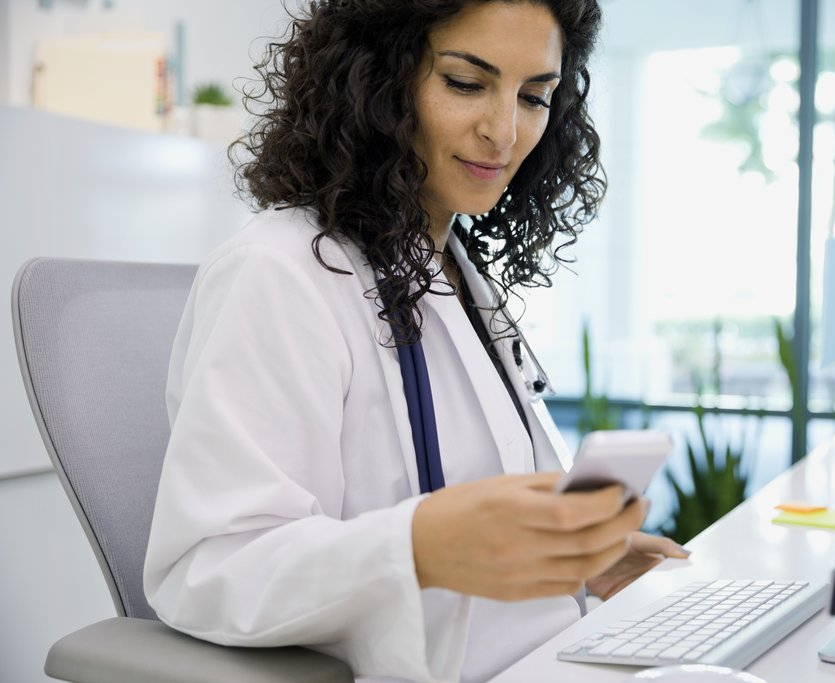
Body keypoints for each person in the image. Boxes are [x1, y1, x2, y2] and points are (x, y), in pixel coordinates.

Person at [143, 1, 688, 682]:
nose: (505, 131)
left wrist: (566, 557)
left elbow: (476, 496)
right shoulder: (280, 271)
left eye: (535, 96)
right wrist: (417, 546)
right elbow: (211, 568)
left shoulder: (454, 272)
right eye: (466, 83)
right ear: (376, 78)